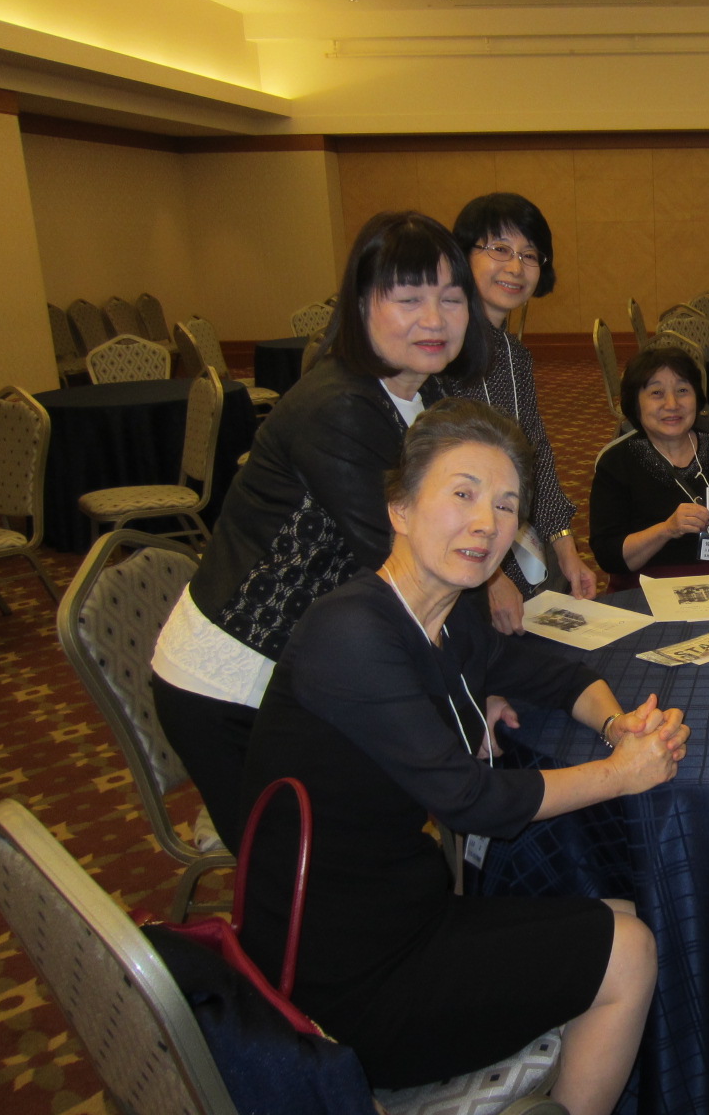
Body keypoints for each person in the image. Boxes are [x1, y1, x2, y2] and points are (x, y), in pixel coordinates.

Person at [239, 399, 690, 1115]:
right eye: (463, 494)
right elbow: (471, 799)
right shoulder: (349, 632)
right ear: (400, 509)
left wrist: (617, 725)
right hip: (340, 983)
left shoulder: (448, 618)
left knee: (630, 914)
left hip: (409, 913)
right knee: (629, 951)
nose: (487, 522)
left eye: (507, 505)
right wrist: (622, 774)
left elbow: (557, 676)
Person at [151, 210, 488, 851]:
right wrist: (477, 694)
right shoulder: (339, 406)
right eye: (409, 298)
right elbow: (409, 568)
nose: (435, 319)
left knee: (377, 841)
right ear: (360, 305)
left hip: (314, 669)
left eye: (451, 298)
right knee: (312, 877)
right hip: (237, 684)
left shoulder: (421, 395)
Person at [446, 192, 596, 629]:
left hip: (512, 536)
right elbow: (436, 482)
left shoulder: (515, 355)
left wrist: (566, 546)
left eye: (529, 255)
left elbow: (536, 454)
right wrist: (489, 579)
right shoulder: (443, 353)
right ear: (463, 255)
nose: (515, 267)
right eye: (499, 249)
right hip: (459, 554)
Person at [589, 345, 709, 587]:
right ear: (635, 403)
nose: (672, 404)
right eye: (657, 393)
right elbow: (609, 556)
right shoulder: (617, 463)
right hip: (648, 585)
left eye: (682, 390)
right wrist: (667, 529)